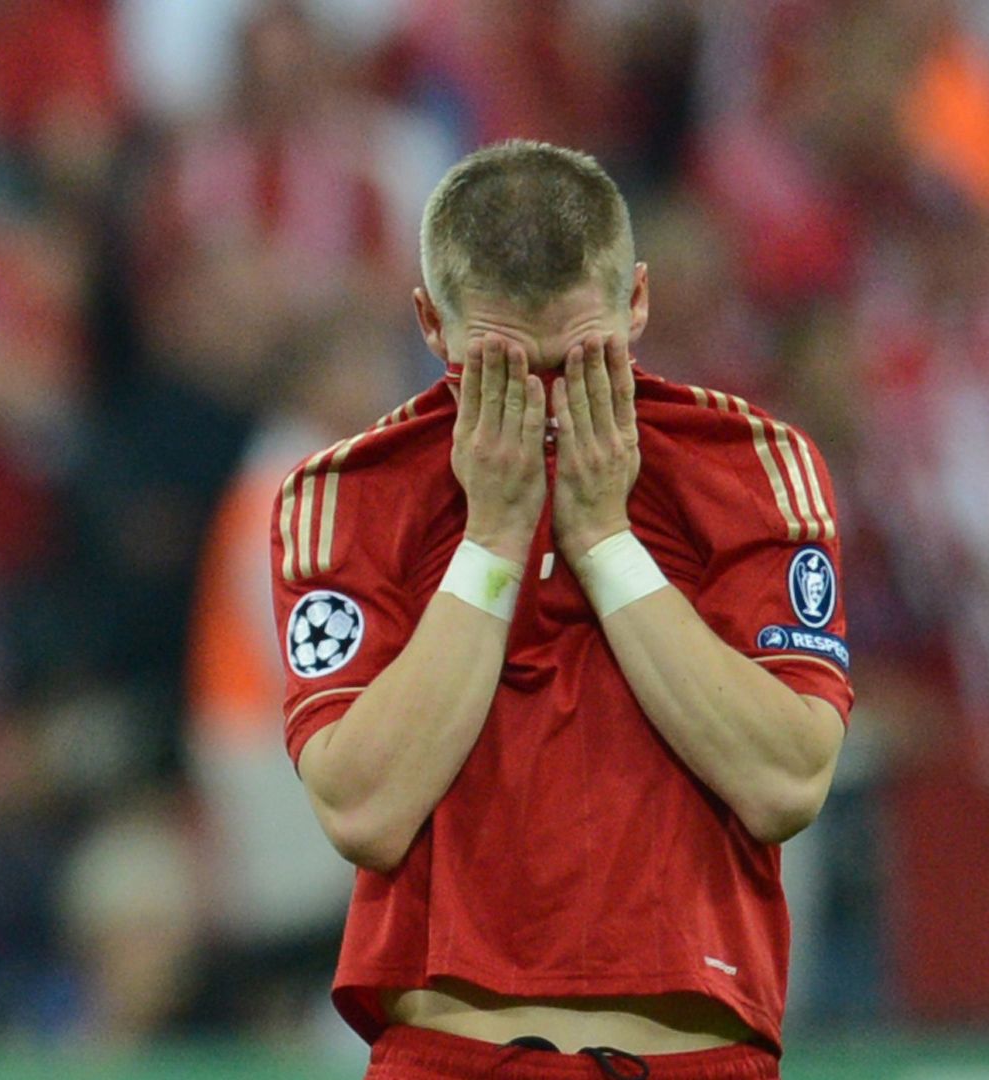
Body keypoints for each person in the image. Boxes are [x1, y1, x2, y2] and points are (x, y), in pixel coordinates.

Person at [270, 141, 852, 1079]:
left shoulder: (747, 467)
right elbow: (365, 808)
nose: (545, 409)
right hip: (454, 1059)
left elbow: (785, 782)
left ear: (638, 303)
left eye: (583, 362)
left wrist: (607, 545)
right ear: (429, 322)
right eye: (501, 372)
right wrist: (493, 541)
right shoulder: (349, 494)